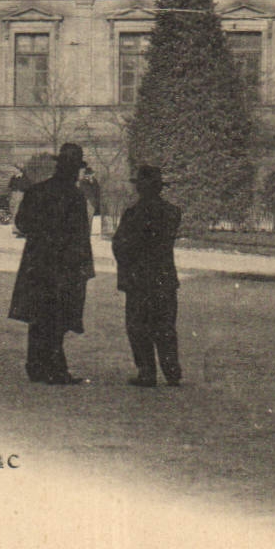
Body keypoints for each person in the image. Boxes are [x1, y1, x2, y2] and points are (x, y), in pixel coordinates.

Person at [8, 143, 96, 385]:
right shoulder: (75, 197)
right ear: (73, 169)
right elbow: (80, 236)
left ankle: (35, 367)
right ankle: (56, 370)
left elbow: (22, 223)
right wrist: (83, 268)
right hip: (64, 267)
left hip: (38, 264)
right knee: (58, 318)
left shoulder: (37, 191)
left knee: (38, 315)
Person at [110, 165, 183, 387]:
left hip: (139, 279)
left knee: (139, 327)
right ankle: (172, 372)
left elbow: (120, 244)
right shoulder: (172, 212)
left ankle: (147, 372)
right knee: (165, 326)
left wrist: (127, 264)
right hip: (163, 278)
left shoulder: (134, 214)